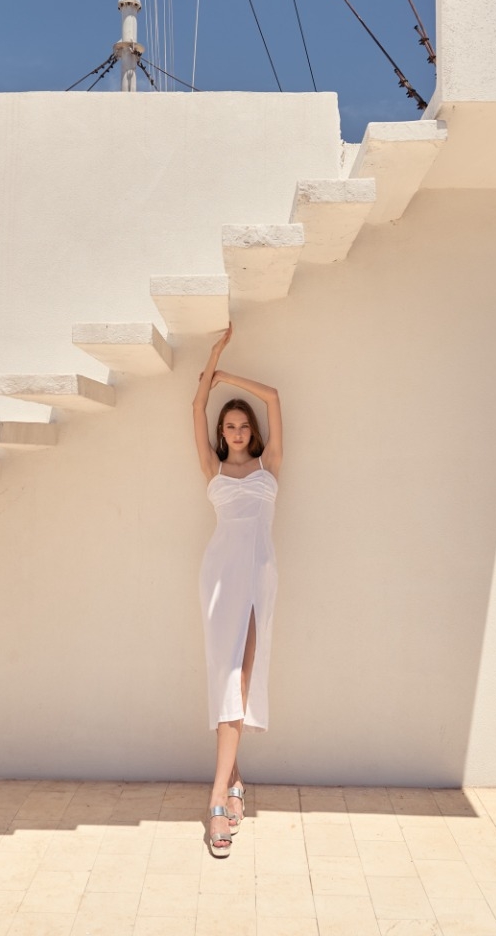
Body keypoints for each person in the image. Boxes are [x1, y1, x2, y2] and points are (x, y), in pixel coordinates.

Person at [192, 323, 282, 857]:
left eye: (243, 423)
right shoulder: (214, 467)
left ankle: (227, 786)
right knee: (228, 682)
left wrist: (227, 372)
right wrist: (210, 362)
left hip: (260, 577)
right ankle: (221, 797)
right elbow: (193, 409)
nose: (237, 430)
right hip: (220, 579)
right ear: (222, 434)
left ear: (252, 430)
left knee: (239, 682)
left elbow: (274, 397)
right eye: (228, 424)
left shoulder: (270, 468)